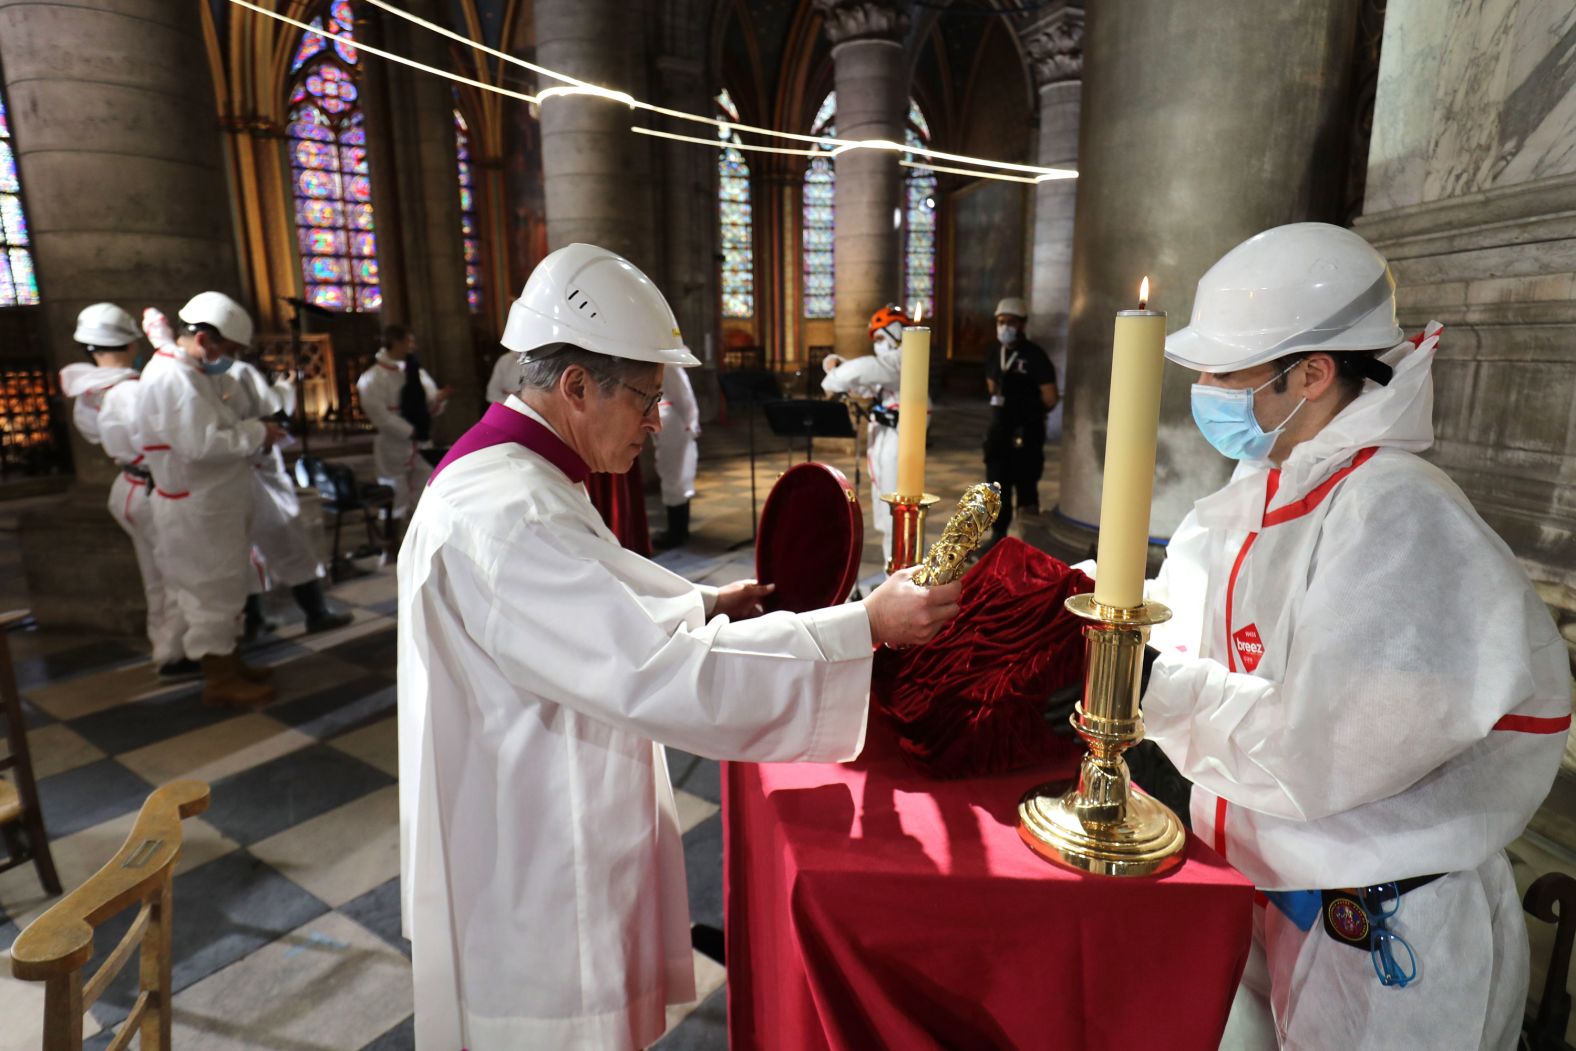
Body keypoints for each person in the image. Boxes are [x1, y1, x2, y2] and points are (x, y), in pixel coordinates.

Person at [398, 242, 962, 1051]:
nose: (658, 419)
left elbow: (587, 597)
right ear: (576, 385)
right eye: (646, 397)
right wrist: (863, 624)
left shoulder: (513, 476)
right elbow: (657, 674)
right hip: (534, 858)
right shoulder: (509, 513)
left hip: (524, 808)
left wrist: (702, 601)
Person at [1126, 223, 1569, 1049]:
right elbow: (1188, 612)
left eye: (1226, 371)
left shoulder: (1401, 513)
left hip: (1389, 937)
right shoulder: (1265, 484)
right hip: (1282, 892)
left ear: (1313, 373)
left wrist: (1154, 697)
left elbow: (1324, 743)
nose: (1207, 388)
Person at [139, 292, 283, 708]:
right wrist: (257, 433)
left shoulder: (190, 372)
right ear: (204, 339)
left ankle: (231, 662)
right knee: (210, 590)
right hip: (196, 506)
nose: (231, 360)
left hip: (211, 503)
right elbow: (199, 444)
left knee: (225, 585)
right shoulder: (171, 378)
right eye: (231, 350)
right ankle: (219, 679)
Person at [58, 304, 193, 679]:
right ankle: (179, 653)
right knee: (176, 572)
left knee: (153, 574)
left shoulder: (88, 389)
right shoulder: (131, 390)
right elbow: (161, 440)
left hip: (126, 486)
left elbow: (93, 433)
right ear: (132, 345)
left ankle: (164, 647)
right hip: (153, 488)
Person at [225, 356, 353, 636]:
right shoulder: (240, 371)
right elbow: (273, 408)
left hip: (231, 475)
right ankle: (316, 612)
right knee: (289, 543)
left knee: (245, 551)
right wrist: (285, 388)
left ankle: (254, 620)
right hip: (256, 470)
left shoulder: (205, 375)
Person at [822, 304, 911, 565]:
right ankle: (890, 570)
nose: (877, 345)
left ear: (896, 333)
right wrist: (839, 368)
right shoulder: (891, 365)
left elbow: (869, 369)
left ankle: (900, 569)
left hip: (898, 439)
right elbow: (868, 382)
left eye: (881, 338)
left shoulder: (906, 356)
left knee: (897, 510)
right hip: (884, 436)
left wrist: (834, 378)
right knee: (885, 511)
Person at [356, 324, 451, 533]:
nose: (413, 346)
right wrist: (409, 431)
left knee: (425, 490)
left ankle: (424, 534)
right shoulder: (373, 377)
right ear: (396, 343)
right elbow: (379, 415)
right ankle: (394, 541)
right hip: (394, 444)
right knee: (395, 492)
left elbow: (428, 401)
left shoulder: (415, 371)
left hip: (421, 443)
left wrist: (437, 401)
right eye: (409, 341)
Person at [982, 296, 1057, 546]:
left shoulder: (1035, 355)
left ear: (1022, 324)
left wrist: (1027, 410)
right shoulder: (995, 352)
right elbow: (991, 385)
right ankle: (998, 538)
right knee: (996, 487)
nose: (1004, 326)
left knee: (1026, 485)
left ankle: (1029, 540)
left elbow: (1050, 397)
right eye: (1000, 321)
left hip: (1026, 432)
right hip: (999, 433)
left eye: (1010, 322)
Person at [651, 357, 699, 549]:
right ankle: (679, 529)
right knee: (670, 474)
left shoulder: (667, 364)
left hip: (674, 422)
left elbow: (683, 394)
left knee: (676, 477)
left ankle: (677, 531)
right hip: (668, 419)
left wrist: (690, 423)